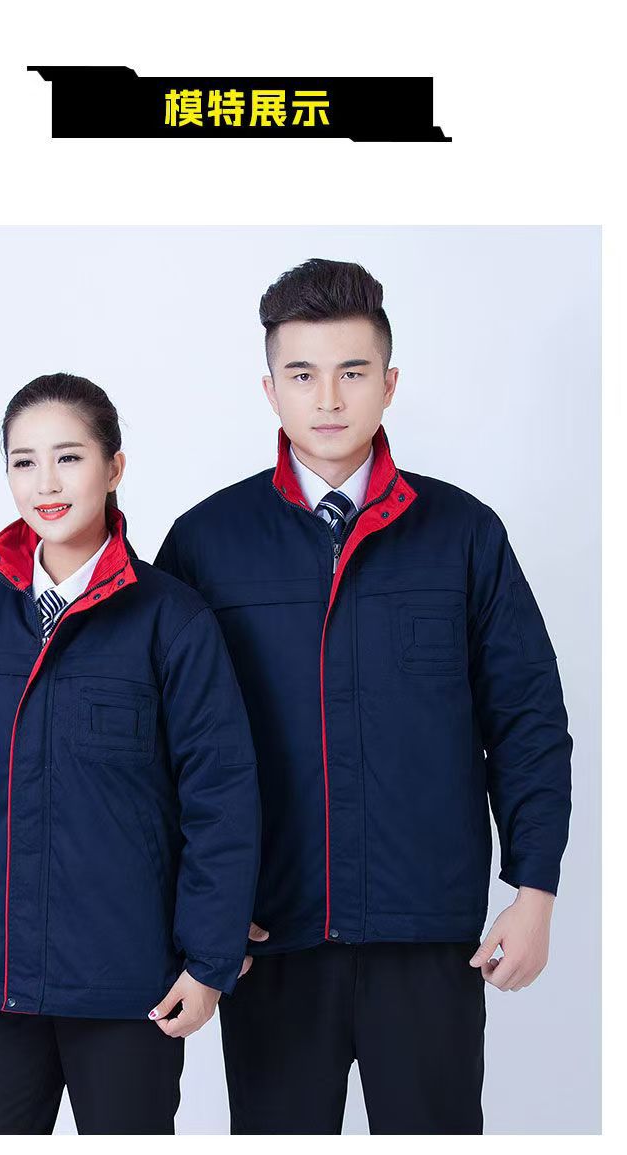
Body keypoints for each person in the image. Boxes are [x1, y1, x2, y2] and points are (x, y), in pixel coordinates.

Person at [154, 258, 574, 1135]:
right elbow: (163, 749)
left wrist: (534, 887)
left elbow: (528, 719)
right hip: (268, 935)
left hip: (426, 935)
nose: (328, 399)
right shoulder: (205, 543)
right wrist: (199, 916)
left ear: (389, 382)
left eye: (352, 372)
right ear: (270, 389)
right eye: (302, 374)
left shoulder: (463, 535)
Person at [0, 371, 261, 1135]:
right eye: (24, 461)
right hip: (0, 978)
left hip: (129, 983)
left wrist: (209, 962)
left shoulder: (170, 618)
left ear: (114, 467)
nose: (45, 482)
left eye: (68, 457)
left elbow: (221, 798)